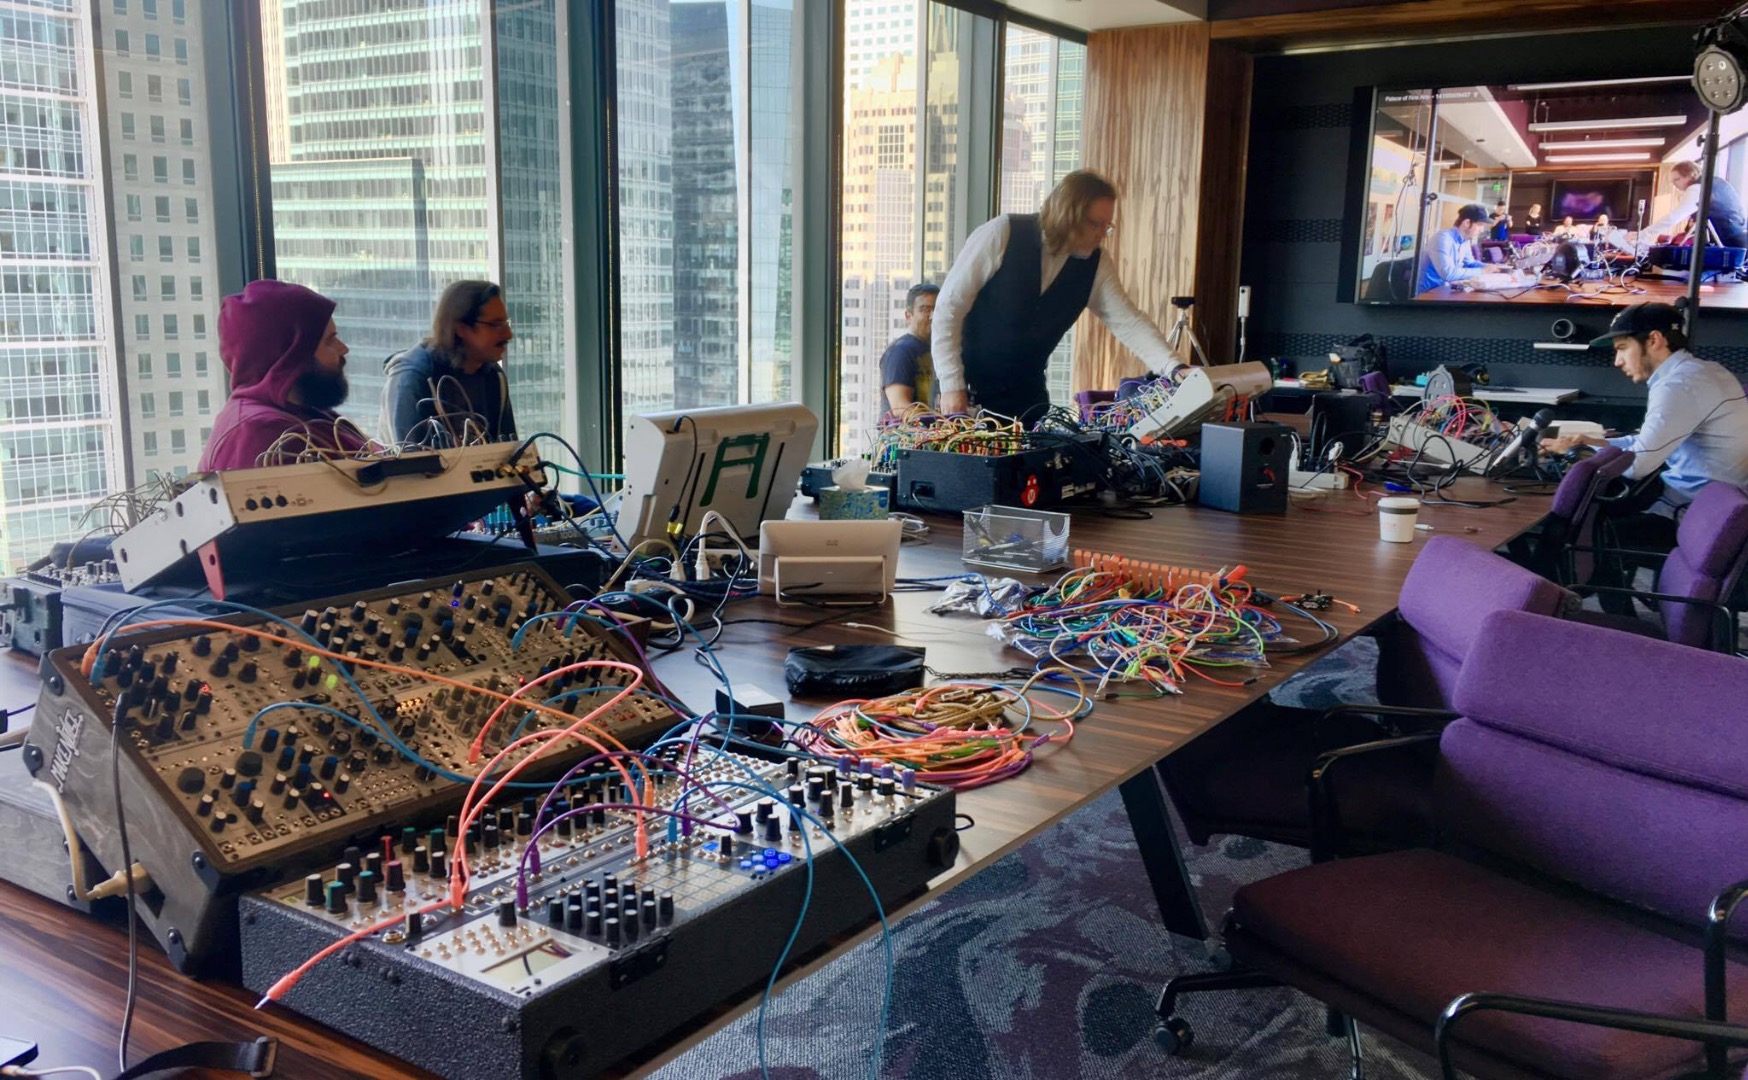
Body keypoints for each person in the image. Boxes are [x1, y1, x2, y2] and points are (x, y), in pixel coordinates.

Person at [931, 169, 1182, 418]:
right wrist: (951, 384)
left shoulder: (1096, 263)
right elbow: (948, 308)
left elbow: (1129, 322)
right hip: (963, 393)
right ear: (1067, 214)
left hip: (1028, 400)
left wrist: (1175, 367)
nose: (1101, 234)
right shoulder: (1002, 232)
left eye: (1107, 226)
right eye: (1095, 224)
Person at [1544, 301, 1748, 535]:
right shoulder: (1707, 371)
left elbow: (1637, 465)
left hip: (1690, 518)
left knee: (1566, 526)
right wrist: (1592, 443)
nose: (1617, 361)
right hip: (1713, 506)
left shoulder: (1678, 386)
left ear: (1654, 340)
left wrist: (1575, 452)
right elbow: (1643, 444)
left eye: (1622, 348)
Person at [198, 280, 370, 472]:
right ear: (290, 358)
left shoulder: (301, 411)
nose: (343, 349)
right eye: (329, 341)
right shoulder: (264, 435)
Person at [382, 280, 519, 447]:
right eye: (495, 325)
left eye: (506, 323)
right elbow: (409, 459)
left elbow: (510, 451)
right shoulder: (413, 377)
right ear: (461, 328)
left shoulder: (493, 375)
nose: (508, 334)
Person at [1637, 160, 1748, 252]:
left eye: (1677, 179)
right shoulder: (1717, 183)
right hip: (1739, 238)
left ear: (1691, 175)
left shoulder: (1697, 188)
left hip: (1727, 242)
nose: (1675, 185)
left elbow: (1675, 216)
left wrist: (1643, 234)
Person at [881, 282, 939, 413]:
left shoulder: (939, 350)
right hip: (907, 426)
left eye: (937, 309)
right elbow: (900, 408)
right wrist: (940, 421)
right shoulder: (900, 351)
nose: (932, 316)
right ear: (908, 316)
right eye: (925, 309)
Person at [1416, 202, 1493, 293]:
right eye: (1480, 225)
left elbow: (1470, 263)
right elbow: (1447, 273)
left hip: (1448, 289)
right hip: (1430, 293)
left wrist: (1491, 267)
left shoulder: (1465, 241)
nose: (1482, 230)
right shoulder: (1443, 238)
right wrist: (1482, 271)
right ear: (1467, 223)